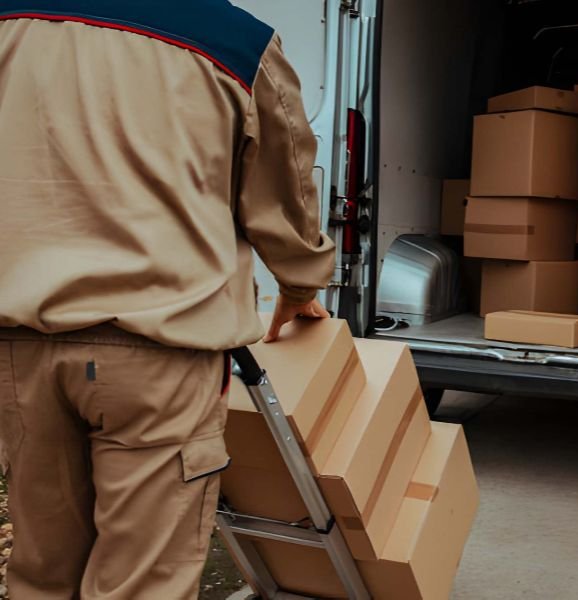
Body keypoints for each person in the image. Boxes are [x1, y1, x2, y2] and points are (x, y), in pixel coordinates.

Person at [0, 1, 335, 598]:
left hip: (18, 350)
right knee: (143, 581)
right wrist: (299, 283)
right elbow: (284, 189)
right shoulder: (235, 42)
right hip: (159, 352)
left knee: (41, 572)